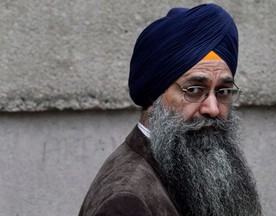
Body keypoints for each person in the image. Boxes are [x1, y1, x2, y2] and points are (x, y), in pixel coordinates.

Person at [78, 3, 262, 216]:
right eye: (194, 90)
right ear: (153, 96)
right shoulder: (126, 202)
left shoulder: (189, 168)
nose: (212, 108)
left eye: (222, 91)